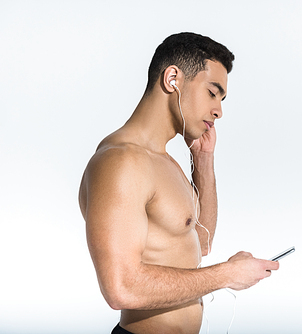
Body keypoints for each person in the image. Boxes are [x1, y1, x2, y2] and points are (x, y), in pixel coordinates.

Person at [78, 32, 279, 334]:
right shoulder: (120, 162)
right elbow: (120, 288)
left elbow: (201, 242)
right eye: (213, 93)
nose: (219, 111)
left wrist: (203, 161)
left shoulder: (165, 161)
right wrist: (227, 275)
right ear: (173, 78)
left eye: (222, 99)